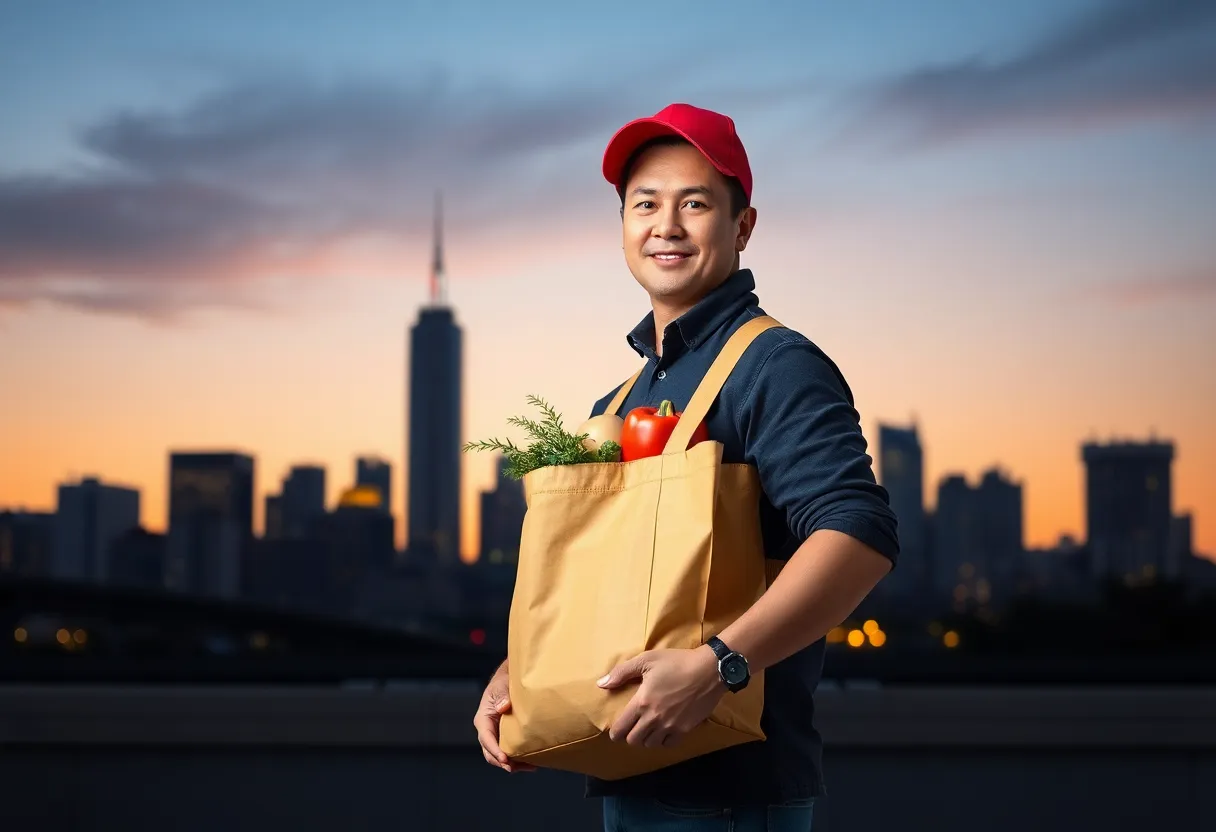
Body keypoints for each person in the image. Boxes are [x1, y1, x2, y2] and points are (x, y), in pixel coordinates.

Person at [473, 102, 900, 831]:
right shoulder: (624, 397)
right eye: (645, 204)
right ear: (623, 228)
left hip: (731, 793)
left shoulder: (774, 365)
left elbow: (859, 535)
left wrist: (718, 667)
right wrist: (523, 673)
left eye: (694, 204)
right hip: (626, 771)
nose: (664, 226)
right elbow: (610, 583)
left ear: (742, 226)